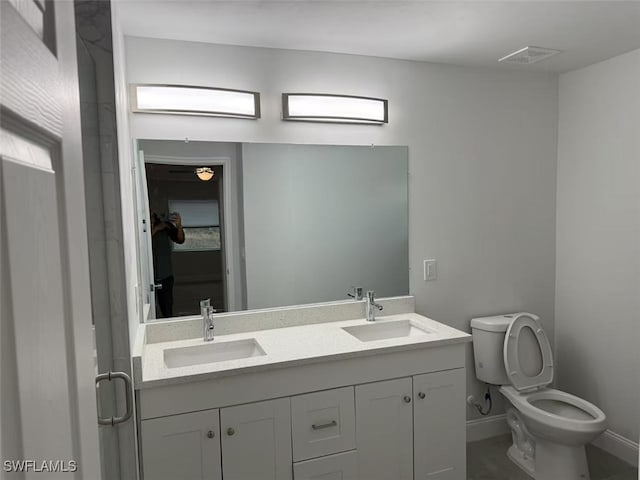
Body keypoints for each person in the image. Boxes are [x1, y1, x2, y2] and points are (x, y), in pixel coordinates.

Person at [151, 211, 185, 317]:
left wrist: (178, 225)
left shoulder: (165, 226)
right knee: (149, 310)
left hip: (165, 276)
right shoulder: (139, 227)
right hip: (147, 279)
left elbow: (180, 239)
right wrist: (155, 230)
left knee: (167, 310)